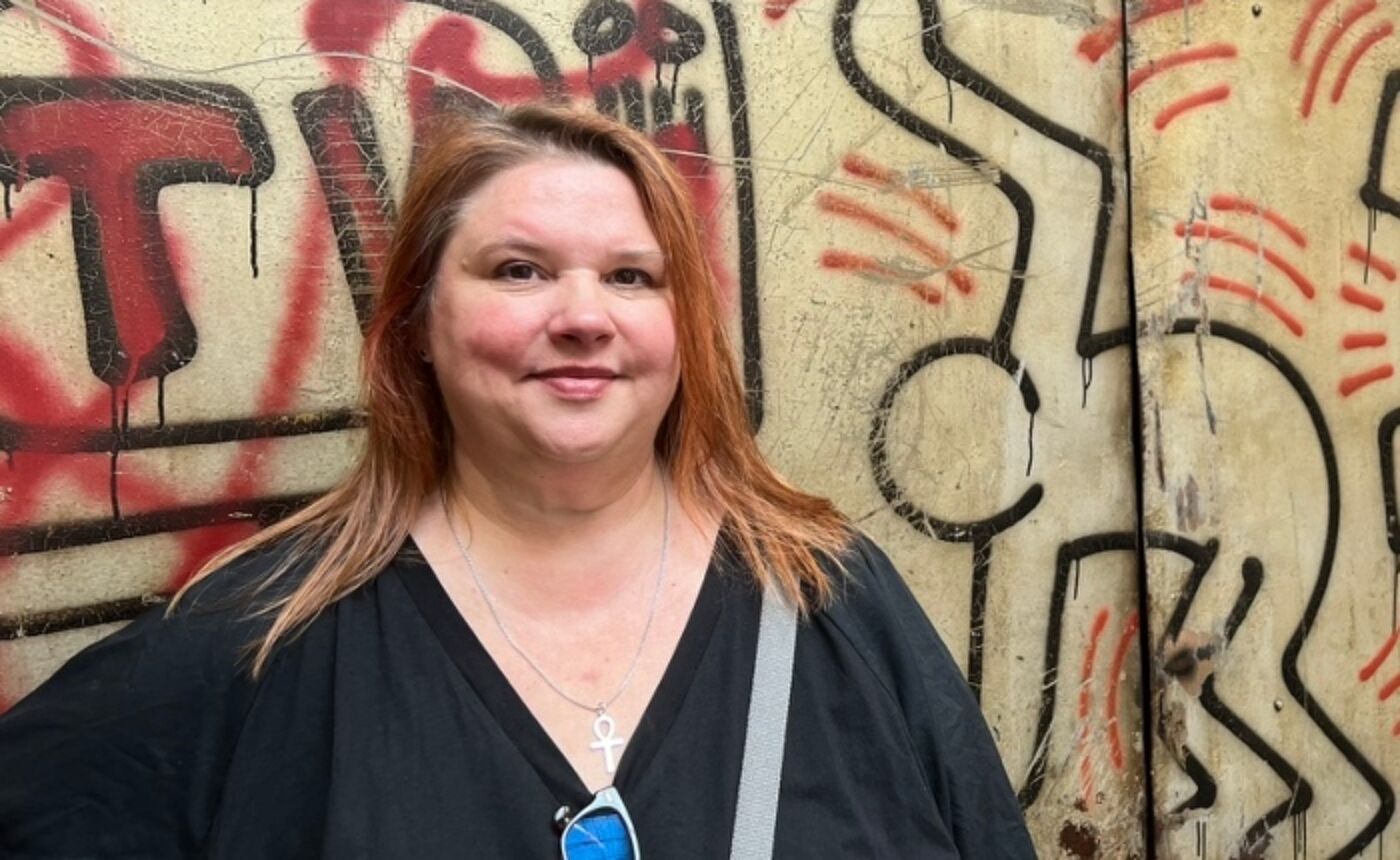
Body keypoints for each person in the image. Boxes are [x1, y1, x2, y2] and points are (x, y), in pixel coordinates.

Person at [0, 101, 1034, 858]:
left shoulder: (832, 602)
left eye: (630, 275)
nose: (583, 315)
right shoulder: (262, 640)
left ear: (682, 330)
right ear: (415, 325)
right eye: (518, 270)